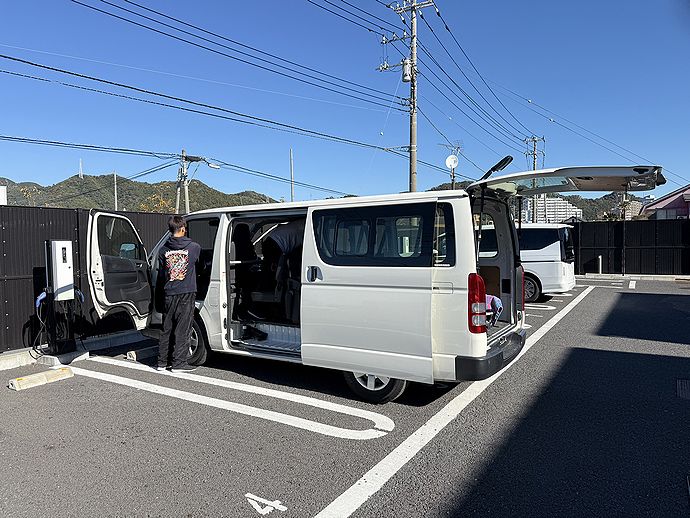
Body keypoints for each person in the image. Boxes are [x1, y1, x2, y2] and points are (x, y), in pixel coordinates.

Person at [156, 215, 201, 373]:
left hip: (169, 292)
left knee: (166, 328)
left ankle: (162, 362)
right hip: (186, 291)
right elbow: (200, 265)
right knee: (183, 328)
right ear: (183, 229)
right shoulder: (194, 248)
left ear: (170, 230)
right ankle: (178, 363)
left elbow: (161, 274)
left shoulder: (163, 250)